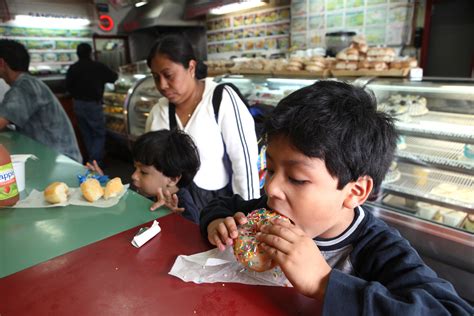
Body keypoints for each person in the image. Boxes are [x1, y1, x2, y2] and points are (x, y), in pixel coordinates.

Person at [199, 81, 472, 315]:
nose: (271, 188)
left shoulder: (379, 249)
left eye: (296, 178)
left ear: (355, 192)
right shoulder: (265, 210)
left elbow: (450, 309)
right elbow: (222, 205)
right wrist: (217, 223)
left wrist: (325, 283)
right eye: (270, 169)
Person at [145, 34, 260, 211]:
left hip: (219, 210)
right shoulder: (158, 112)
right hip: (172, 210)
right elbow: (149, 168)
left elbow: (244, 164)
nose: (162, 85)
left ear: (191, 67)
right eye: (155, 76)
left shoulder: (221, 99)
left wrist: (247, 215)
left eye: (168, 75)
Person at [88, 129, 202, 223]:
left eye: (143, 172)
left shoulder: (184, 209)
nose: (134, 176)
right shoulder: (147, 191)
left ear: (172, 179)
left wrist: (174, 218)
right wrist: (104, 181)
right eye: (135, 168)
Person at [0, 39, 82, 162]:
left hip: (61, 161)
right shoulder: (27, 83)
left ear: (1, 63)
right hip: (54, 158)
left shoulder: (25, 86)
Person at [66, 42, 118, 167]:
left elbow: (67, 87)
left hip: (78, 104)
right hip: (93, 105)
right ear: (90, 53)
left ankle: (92, 161)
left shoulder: (73, 68)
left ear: (77, 54)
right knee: (99, 134)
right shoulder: (98, 66)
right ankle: (94, 162)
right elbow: (114, 77)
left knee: (87, 133)